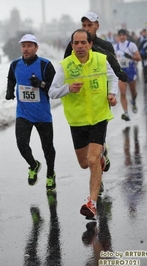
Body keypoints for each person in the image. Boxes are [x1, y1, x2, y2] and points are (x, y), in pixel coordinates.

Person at [49, 29, 118, 219]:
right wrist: (68, 88)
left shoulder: (101, 60)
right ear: (72, 45)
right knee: (84, 163)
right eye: (76, 43)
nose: (80, 46)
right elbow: (52, 92)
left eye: (83, 43)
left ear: (90, 44)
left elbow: (113, 78)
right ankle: (101, 156)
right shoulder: (65, 65)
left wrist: (112, 94)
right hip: (77, 120)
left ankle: (92, 203)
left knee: (93, 160)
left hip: (99, 117)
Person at [5, 33, 57, 192]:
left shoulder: (45, 65)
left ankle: (50, 173)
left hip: (42, 114)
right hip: (23, 113)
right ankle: (33, 165)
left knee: (47, 147)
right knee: (21, 144)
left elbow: (55, 89)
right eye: (23, 46)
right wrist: (9, 91)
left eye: (29, 46)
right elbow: (11, 79)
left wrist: (40, 84)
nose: (26, 49)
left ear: (36, 48)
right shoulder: (15, 64)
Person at [64, 12, 128, 83]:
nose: (86, 29)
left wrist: (111, 92)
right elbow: (66, 67)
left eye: (90, 25)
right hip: (80, 88)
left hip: (101, 89)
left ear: (97, 26)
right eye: (84, 25)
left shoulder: (106, 45)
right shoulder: (73, 45)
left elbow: (114, 71)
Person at [114, 29, 142, 121]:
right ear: (118, 37)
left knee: (133, 92)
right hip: (121, 71)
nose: (122, 37)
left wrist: (130, 57)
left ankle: (133, 101)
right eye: (120, 35)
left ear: (126, 36)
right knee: (122, 92)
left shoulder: (131, 45)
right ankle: (126, 113)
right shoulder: (116, 47)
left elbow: (139, 58)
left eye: (123, 35)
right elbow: (114, 60)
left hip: (131, 70)